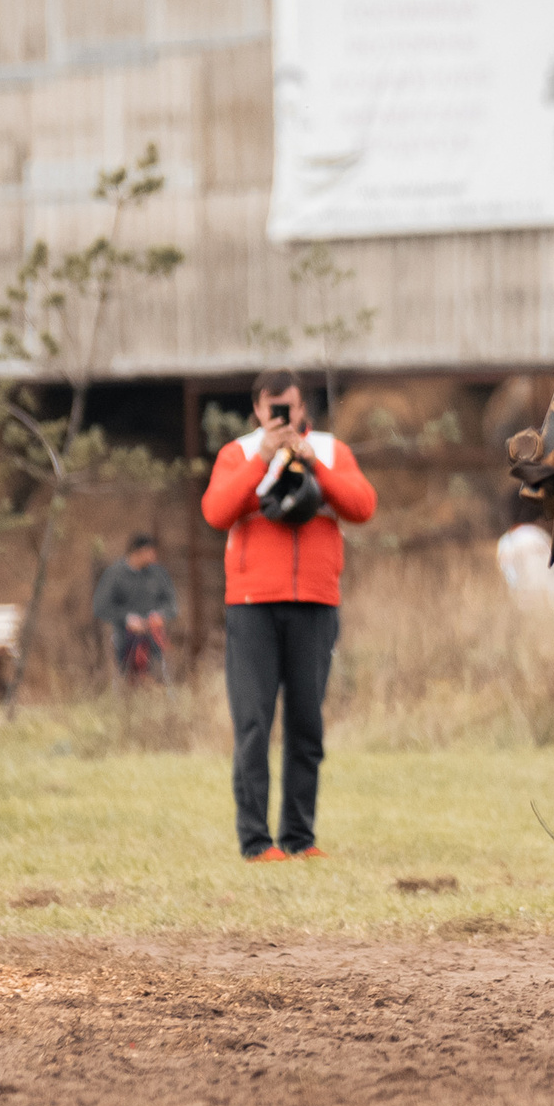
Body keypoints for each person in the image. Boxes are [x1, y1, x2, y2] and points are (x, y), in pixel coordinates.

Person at [200, 369, 379, 863]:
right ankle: (256, 842)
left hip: (315, 602)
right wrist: (262, 459)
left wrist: (315, 466)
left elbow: (363, 506)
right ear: (257, 409)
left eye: (290, 406)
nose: (281, 416)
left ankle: (300, 837)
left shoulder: (330, 450)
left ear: (302, 408)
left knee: (306, 725)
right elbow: (216, 512)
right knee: (253, 724)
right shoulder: (237, 453)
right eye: (272, 407)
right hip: (252, 604)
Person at [91, 533, 176, 683]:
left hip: (153, 637)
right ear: (138, 552)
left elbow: (172, 604)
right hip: (122, 637)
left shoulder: (158, 573)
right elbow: (100, 607)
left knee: (160, 676)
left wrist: (160, 615)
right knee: (124, 677)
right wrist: (127, 619)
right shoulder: (114, 574)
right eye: (150, 552)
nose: (154, 557)